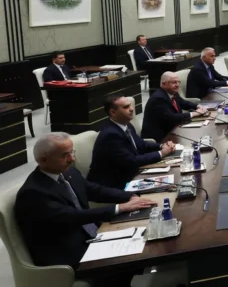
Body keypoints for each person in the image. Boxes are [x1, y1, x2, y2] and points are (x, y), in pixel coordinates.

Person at [15, 133, 156, 268]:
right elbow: (72, 216)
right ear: (43, 160)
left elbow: (96, 191)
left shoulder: (69, 172)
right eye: (65, 155)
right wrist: (120, 207)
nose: (72, 159)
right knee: (134, 256)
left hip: (91, 235)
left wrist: (131, 196)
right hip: (69, 253)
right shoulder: (33, 193)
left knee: (145, 236)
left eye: (72, 152)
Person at [88, 96, 176, 190]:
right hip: (113, 186)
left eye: (130, 105)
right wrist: (162, 153)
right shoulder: (110, 135)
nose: (132, 109)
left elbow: (142, 144)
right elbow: (132, 161)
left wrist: (162, 145)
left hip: (130, 174)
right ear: (113, 112)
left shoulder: (126, 124)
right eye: (126, 107)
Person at [142, 72, 206, 142]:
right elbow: (172, 117)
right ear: (164, 84)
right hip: (160, 138)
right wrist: (194, 114)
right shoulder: (158, 99)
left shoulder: (172, 93)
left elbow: (183, 103)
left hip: (173, 129)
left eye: (178, 82)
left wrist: (197, 106)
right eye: (174, 82)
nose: (177, 85)